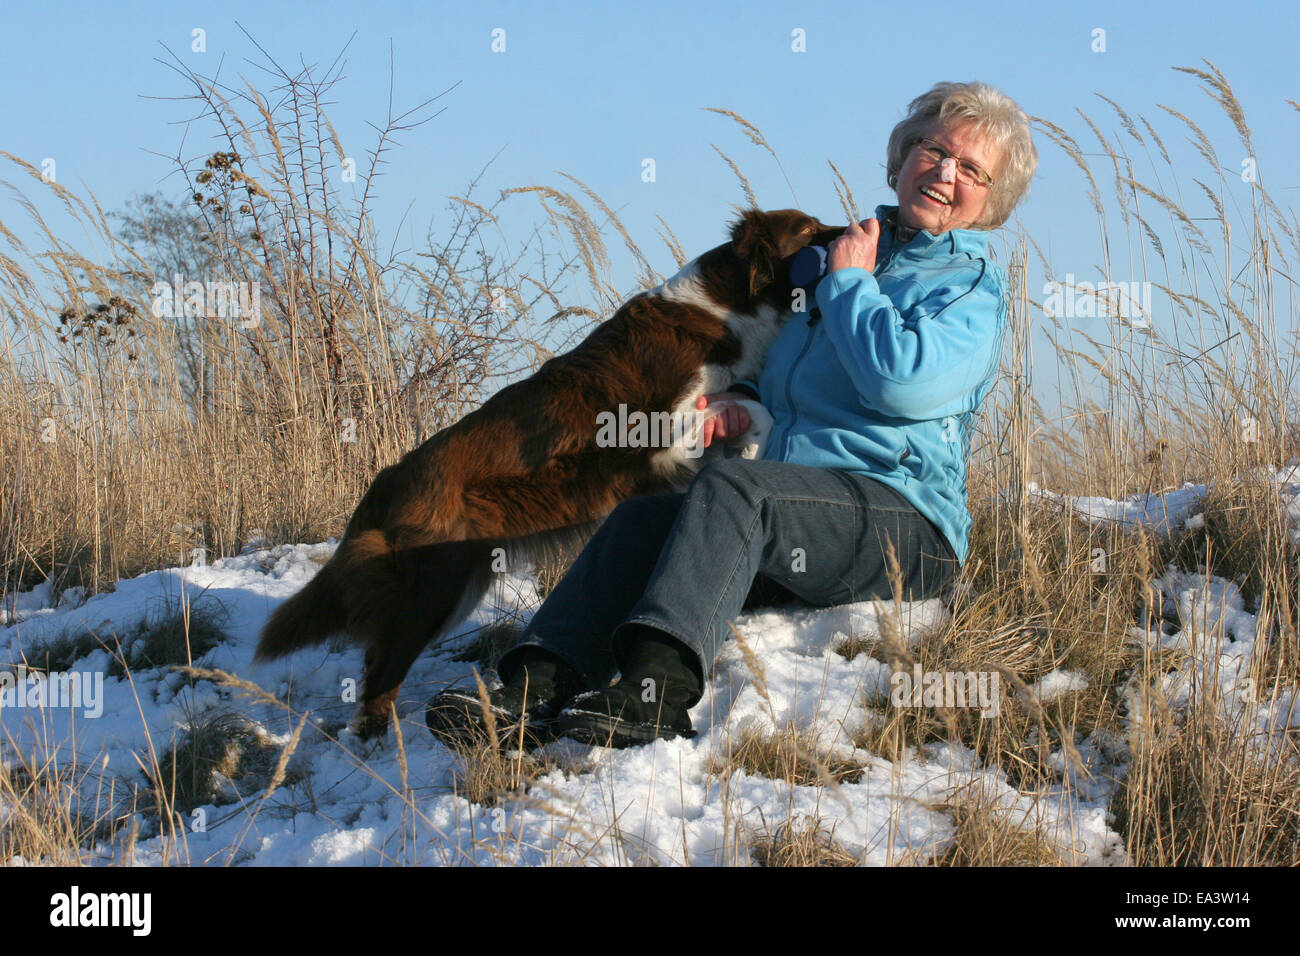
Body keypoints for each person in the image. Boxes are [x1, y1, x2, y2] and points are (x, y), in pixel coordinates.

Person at [426, 81, 1038, 749]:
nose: (946, 173)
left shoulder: (967, 289)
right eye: (934, 149)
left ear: (991, 201)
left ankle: (654, 693)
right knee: (643, 517)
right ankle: (532, 687)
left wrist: (851, 284)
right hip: (795, 515)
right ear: (901, 158)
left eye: (972, 169)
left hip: (903, 528)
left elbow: (899, 384)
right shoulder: (844, 256)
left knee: (735, 491)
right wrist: (745, 404)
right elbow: (794, 386)